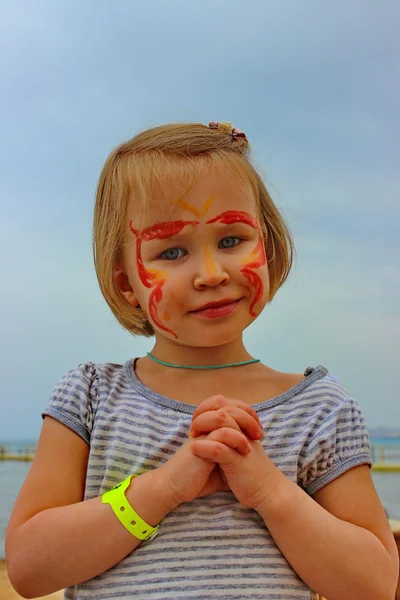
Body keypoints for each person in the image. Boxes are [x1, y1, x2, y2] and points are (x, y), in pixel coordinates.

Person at [5, 122, 398, 600]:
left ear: (267, 247)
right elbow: (28, 568)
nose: (211, 274)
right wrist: (163, 489)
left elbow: (376, 584)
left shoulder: (319, 408)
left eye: (232, 240)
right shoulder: (90, 397)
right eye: (171, 250)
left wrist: (270, 492)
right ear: (126, 282)